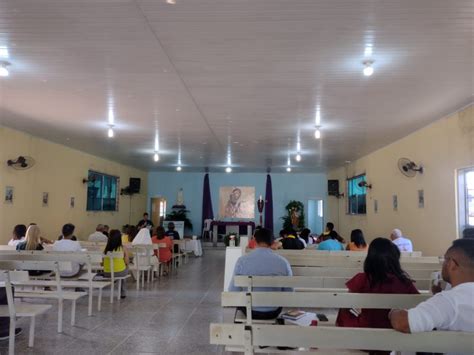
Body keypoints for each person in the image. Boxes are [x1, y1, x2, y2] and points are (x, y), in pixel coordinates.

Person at [390, 239, 474, 340]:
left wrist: (393, 312)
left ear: (452, 264)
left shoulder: (449, 300)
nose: (442, 264)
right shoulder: (449, 300)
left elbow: (403, 323)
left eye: (444, 260)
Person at [336, 238, 419, 330]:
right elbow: (418, 303)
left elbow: (347, 304)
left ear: (370, 259)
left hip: (366, 329)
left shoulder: (362, 279)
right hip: (395, 329)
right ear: (395, 260)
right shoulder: (404, 282)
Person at [229, 227, 292, 319]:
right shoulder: (283, 262)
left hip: (250, 310)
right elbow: (289, 292)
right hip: (274, 311)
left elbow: (233, 290)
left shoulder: (242, 261)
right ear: (273, 242)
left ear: (254, 240)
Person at [102, 229, 129, 298]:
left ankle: (115, 279)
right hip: (119, 272)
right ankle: (123, 293)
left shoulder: (106, 249)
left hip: (107, 273)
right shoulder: (123, 248)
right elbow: (127, 262)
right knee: (126, 267)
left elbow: (102, 263)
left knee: (122, 267)